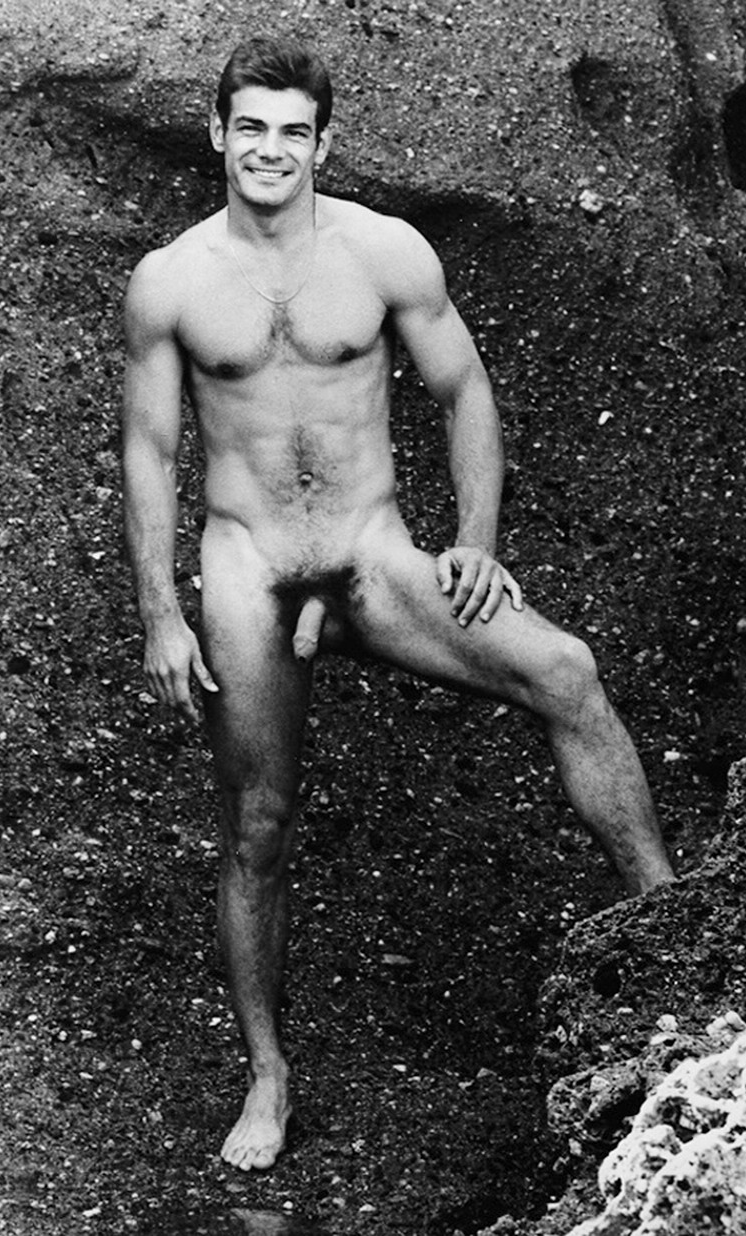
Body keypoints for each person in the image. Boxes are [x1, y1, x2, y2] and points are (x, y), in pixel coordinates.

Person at [122, 34, 676, 1173]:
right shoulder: (170, 281)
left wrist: (474, 542)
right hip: (249, 563)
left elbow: (463, 388)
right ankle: (269, 1076)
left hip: (372, 552)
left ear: (323, 143)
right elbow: (150, 450)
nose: (270, 149)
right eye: (250, 127)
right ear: (217, 132)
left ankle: (679, 939)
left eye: (294, 131)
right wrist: (160, 616)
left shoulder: (383, 252)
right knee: (258, 823)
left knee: (566, 672)